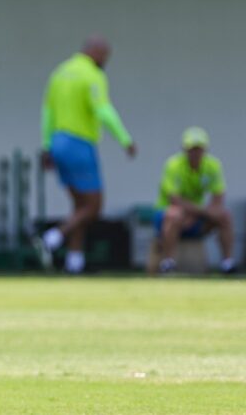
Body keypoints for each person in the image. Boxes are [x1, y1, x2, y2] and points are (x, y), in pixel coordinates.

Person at [35, 36, 137, 273]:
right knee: (94, 207)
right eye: (105, 56)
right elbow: (103, 110)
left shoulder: (59, 73)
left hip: (58, 142)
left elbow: (47, 112)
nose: (106, 61)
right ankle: (52, 238)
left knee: (79, 206)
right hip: (79, 143)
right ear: (95, 52)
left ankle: (74, 261)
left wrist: (47, 146)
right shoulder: (92, 75)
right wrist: (125, 139)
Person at [154, 127, 236, 274]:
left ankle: (227, 263)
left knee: (224, 215)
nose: (195, 153)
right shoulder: (173, 165)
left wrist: (198, 215)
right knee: (175, 214)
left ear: (205, 150)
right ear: (185, 149)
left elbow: (218, 197)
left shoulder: (213, 165)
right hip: (166, 216)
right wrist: (201, 212)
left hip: (195, 216)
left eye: (199, 149)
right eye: (192, 149)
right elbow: (174, 200)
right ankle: (168, 263)